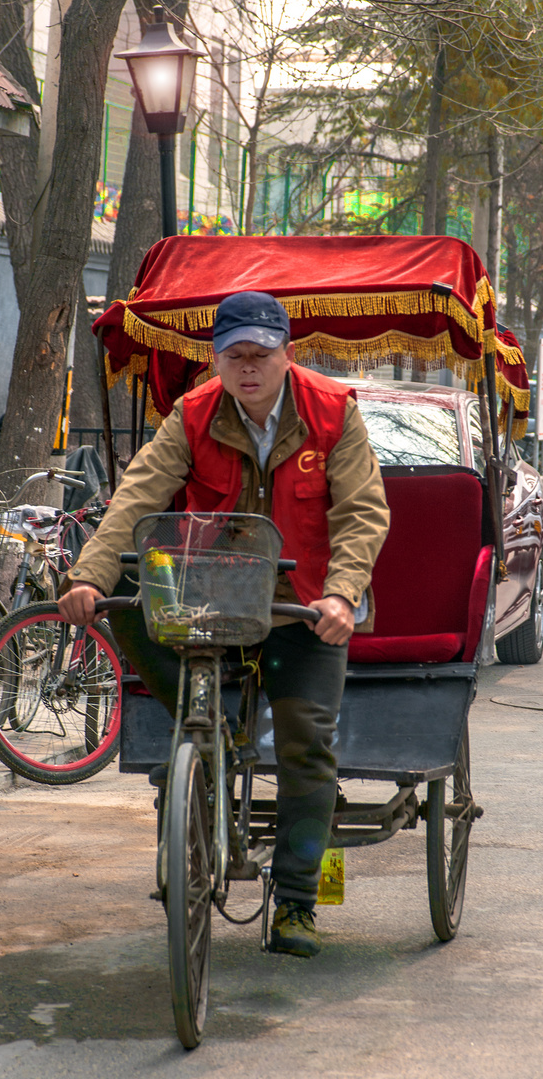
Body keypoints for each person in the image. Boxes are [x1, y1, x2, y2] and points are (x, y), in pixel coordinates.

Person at [58, 290, 390, 957]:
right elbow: (138, 496)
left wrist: (342, 595)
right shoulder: (193, 413)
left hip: (303, 609)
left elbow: (362, 513)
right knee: (124, 577)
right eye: (233, 355)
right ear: (215, 359)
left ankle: (297, 902)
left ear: (285, 355)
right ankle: (192, 720)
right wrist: (88, 576)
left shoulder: (332, 412)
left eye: (260, 355)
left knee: (305, 749)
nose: (247, 367)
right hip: (214, 600)